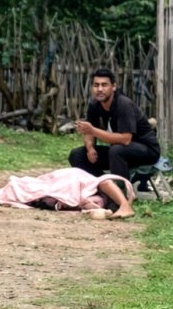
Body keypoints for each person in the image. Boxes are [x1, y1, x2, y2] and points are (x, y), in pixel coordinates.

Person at [68, 67, 159, 219]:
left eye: (104, 85)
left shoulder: (124, 104)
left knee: (116, 150)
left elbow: (125, 139)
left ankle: (119, 202)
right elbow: (89, 132)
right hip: (121, 151)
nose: (100, 89)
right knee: (77, 155)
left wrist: (93, 131)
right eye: (96, 85)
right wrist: (90, 148)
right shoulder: (94, 105)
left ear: (114, 87)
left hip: (147, 151)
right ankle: (105, 190)